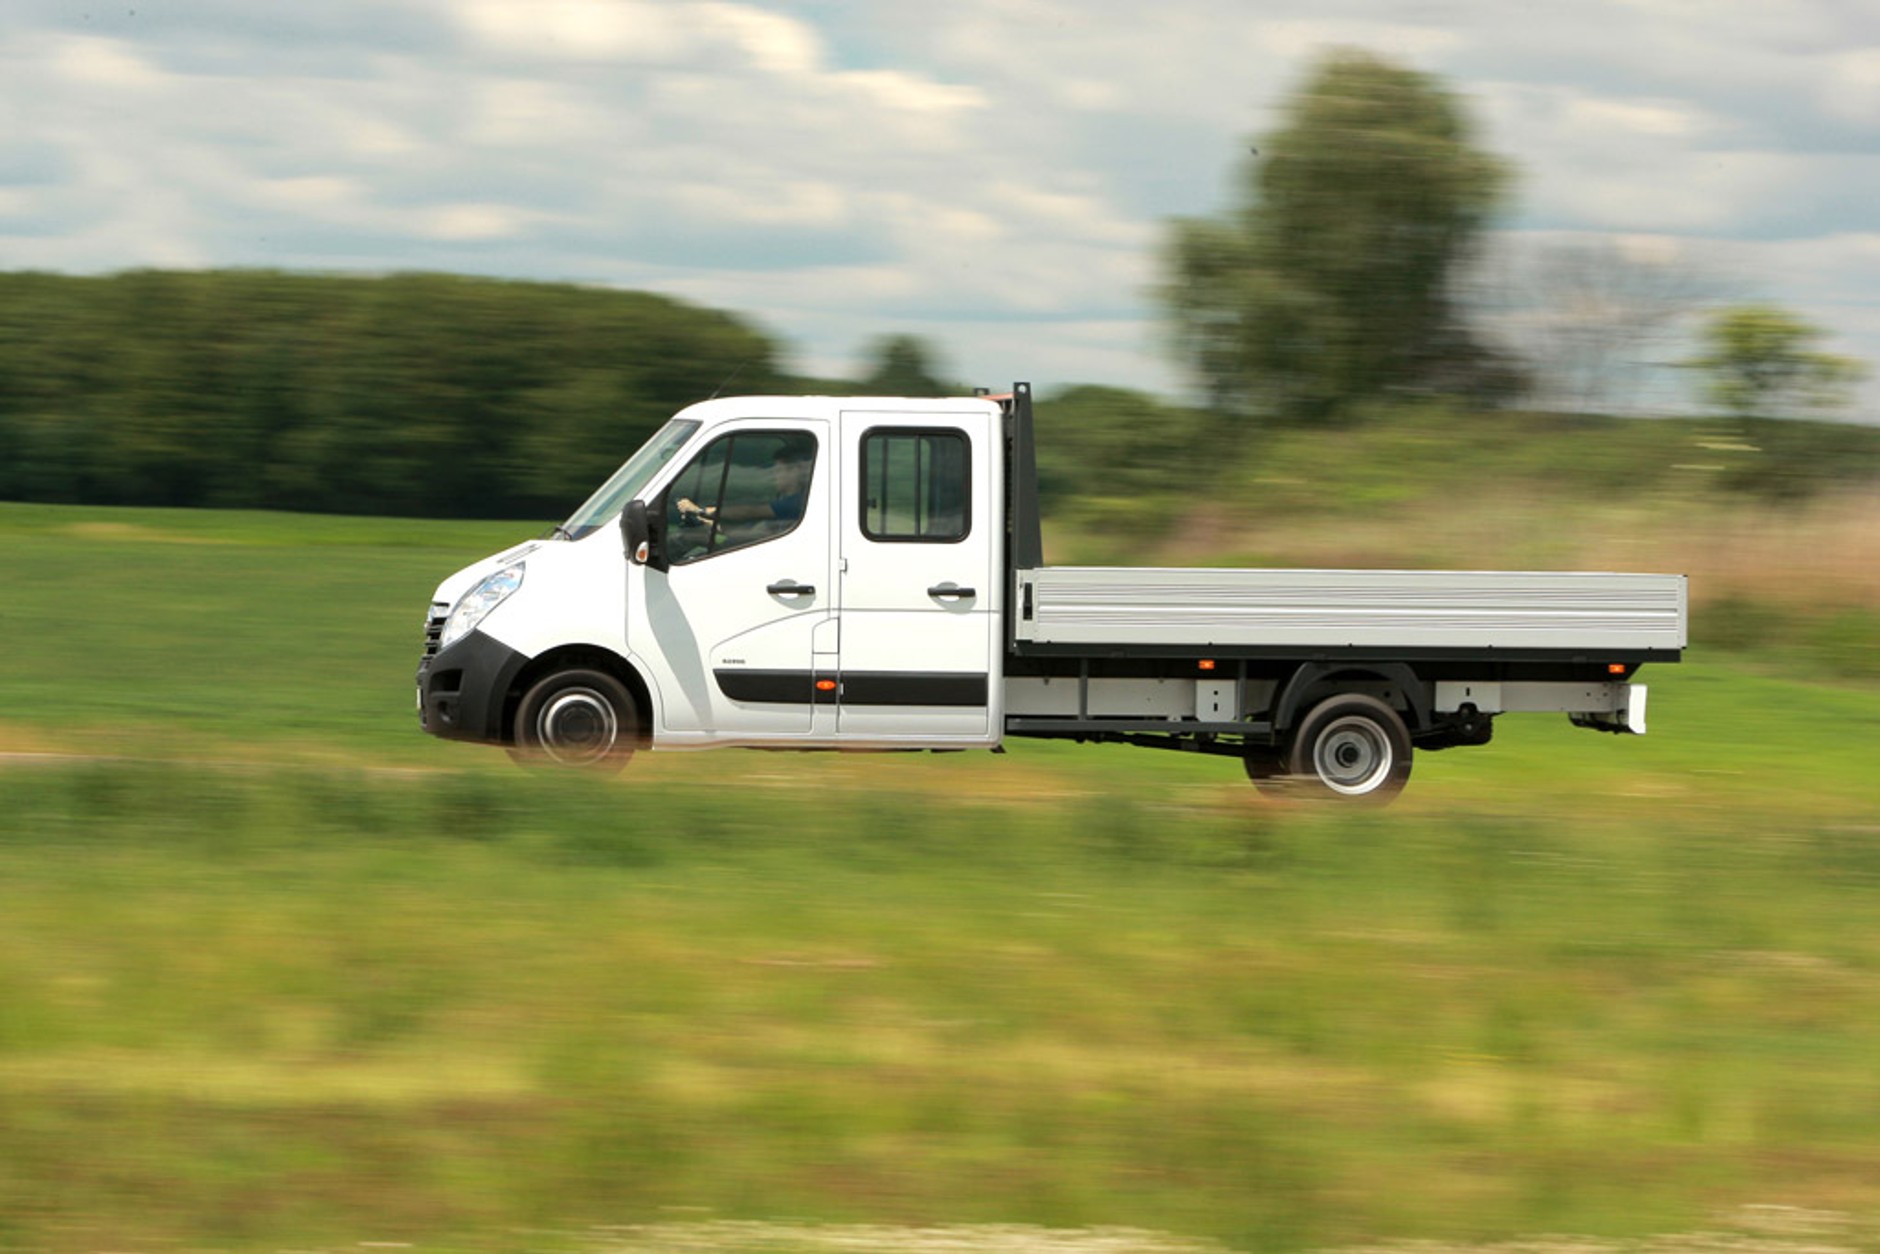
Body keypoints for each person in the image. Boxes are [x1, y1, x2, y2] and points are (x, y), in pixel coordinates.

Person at [676, 440, 811, 540]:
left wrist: (700, 511)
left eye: (779, 470)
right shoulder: (782, 500)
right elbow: (747, 532)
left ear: (796, 471)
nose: (775, 475)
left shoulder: (797, 503)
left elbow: (750, 511)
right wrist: (704, 522)